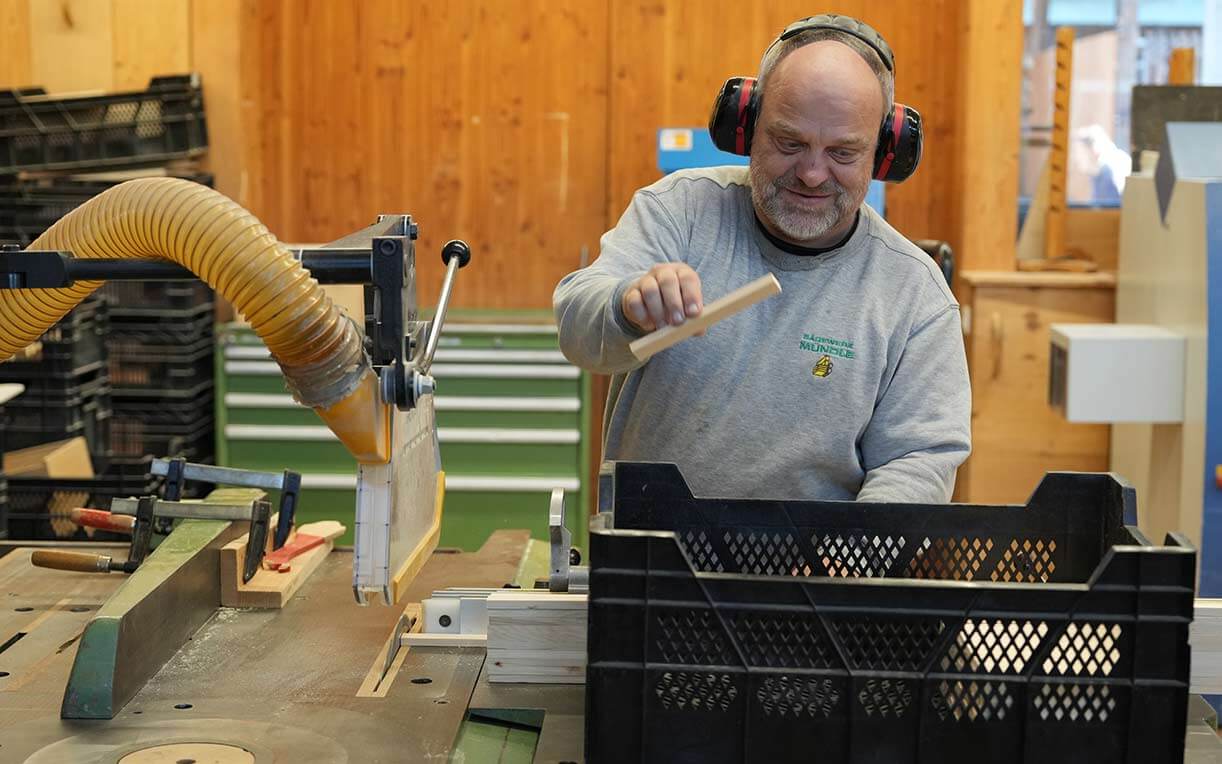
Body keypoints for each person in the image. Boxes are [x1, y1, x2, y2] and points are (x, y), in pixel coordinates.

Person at [553, 15, 970, 503]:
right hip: (653, 557)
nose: (813, 173)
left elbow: (918, 460)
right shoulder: (679, 211)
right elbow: (578, 332)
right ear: (746, 126)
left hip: (815, 570)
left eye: (842, 152)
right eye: (789, 142)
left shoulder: (913, 292)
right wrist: (626, 306)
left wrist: (853, 557)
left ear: (882, 154)